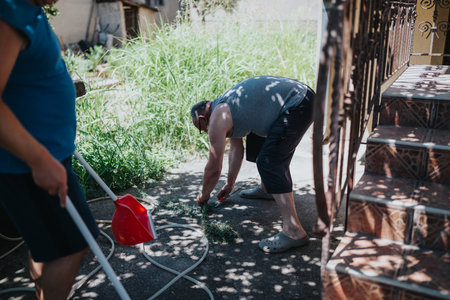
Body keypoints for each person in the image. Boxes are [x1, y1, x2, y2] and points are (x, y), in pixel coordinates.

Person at [0, 0, 99, 299]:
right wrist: (39, 158)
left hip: (41, 159)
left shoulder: (28, 13)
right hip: (28, 165)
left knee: (47, 248)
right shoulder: (9, 12)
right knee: (75, 243)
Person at [191, 75, 315, 253]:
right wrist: (230, 184)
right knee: (256, 144)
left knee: (270, 161)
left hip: (298, 103)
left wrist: (203, 196)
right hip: (301, 99)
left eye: (202, 129)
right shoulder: (228, 109)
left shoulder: (218, 116)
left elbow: (213, 168)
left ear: (203, 117)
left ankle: (294, 231)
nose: (206, 131)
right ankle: (267, 189)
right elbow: (236, 150)